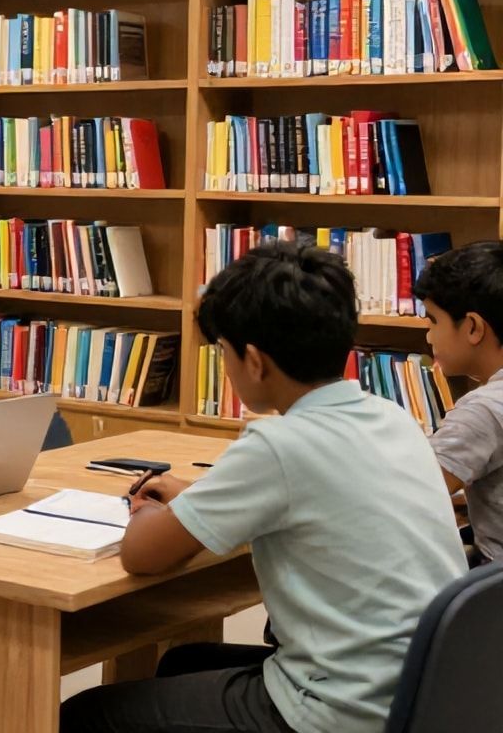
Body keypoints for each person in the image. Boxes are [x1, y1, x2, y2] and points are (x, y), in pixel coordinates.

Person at [61, 242, 465, 733]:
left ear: (253, 361)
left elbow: (141, 555)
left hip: (338, 709)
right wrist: (195, 499)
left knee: (86, 715)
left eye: (223, 352)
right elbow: (312, 503)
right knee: (182, 662)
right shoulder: (392, 417)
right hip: (422, 692)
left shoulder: (278, 444)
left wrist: (143, 509)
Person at [415, 240, 503, 564]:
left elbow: (411, 493)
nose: (428, 335)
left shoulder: (483, 411)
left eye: (433, 320)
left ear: (473, 327)